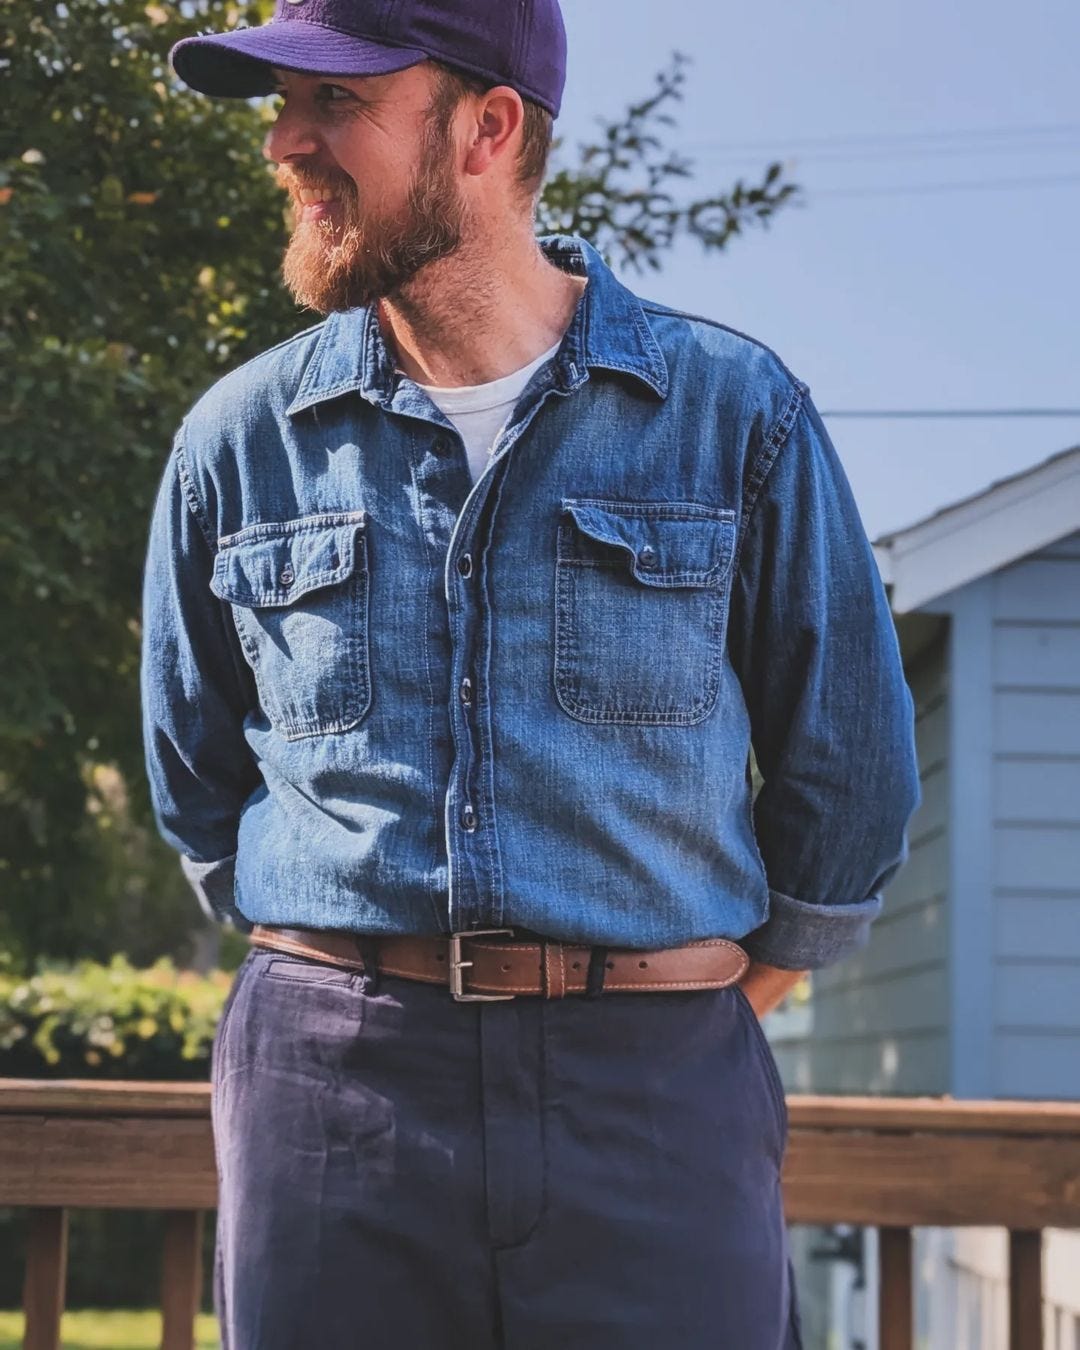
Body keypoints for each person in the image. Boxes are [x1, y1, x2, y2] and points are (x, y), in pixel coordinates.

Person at [140, 1, 922, 1345]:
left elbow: (848, 791)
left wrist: (662, 1003)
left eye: (336, 102)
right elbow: (197, 782)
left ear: (488, 127)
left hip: (657, 1100)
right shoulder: (236, 445)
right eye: (284, 102)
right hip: (332, 1096)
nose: (283, 141)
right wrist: (350, 970)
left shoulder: (738, 418)